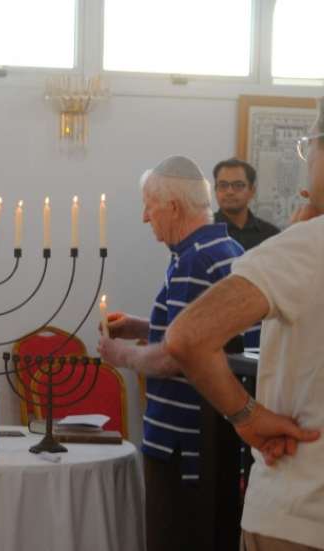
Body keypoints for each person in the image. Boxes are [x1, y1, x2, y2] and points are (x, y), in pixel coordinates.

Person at [165, 101, 324, 550]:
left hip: (300, 510)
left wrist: (247, 416)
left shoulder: (305, 247)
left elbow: (188, 337)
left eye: (308, 148)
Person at [97, 155, 245, 551]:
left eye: (149, 205)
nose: (146, 217)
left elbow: (176, 358)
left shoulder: (195, 261)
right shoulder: (219, 246)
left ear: (174, 207)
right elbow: (201, 334)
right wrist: (141, 326)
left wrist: (120, 355)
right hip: (204, 438)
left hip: (186, 446)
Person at [213, 158, 279, 251]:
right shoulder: (204, 232)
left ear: (252, 191)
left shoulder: (271, 235)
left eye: (238, 185)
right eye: (223, 185)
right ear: (215, 189)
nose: (229, 192)